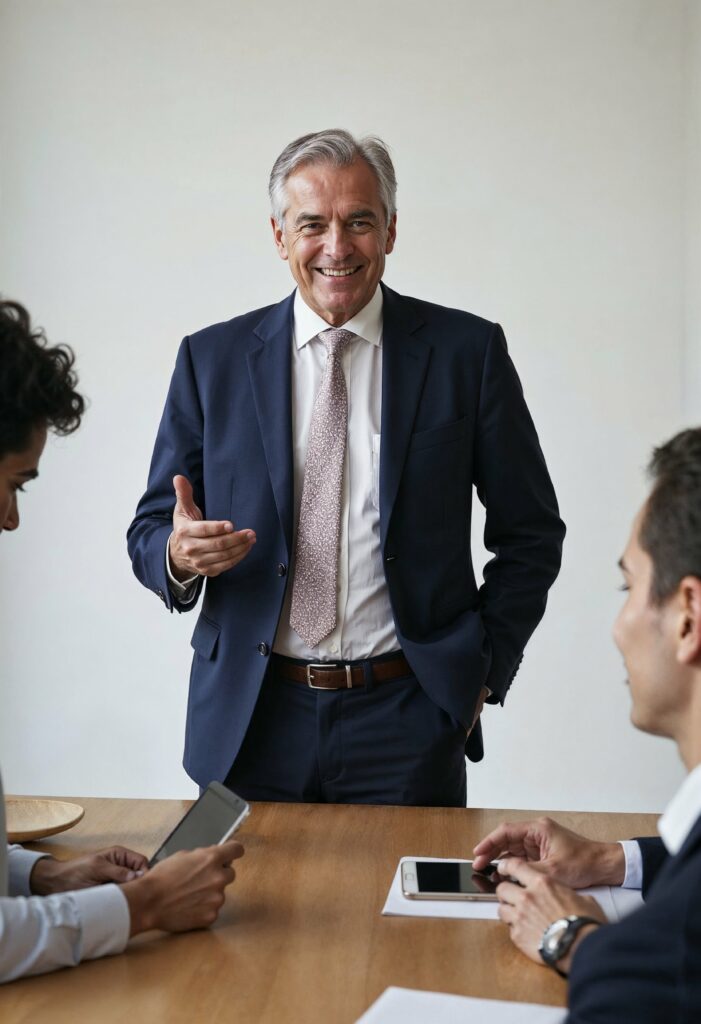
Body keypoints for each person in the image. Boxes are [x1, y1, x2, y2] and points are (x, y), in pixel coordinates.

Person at [128, 129, 565, 806]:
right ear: (279, 236)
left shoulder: (465, 353)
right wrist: (177, 554)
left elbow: (530, 531)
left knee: (403, 913)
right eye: (313, 225)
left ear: (390, 231)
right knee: (241, 911)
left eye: (358, 222)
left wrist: (481, 671)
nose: (337, 247)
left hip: (407, 720)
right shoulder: (210, 361)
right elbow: (151, 527)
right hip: (250, 718)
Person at [0, 299, 243, 983]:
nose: (12, 520)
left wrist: (42, 875)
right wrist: (144, 905)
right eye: (15, 483)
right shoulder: (211, 358)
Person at [472, 427, 701, 1021]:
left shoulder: (671, 949)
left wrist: (571, 936)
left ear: (688, 619)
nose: (618, 624)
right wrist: (613, 860)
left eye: (629, 586)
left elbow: (644, 996)